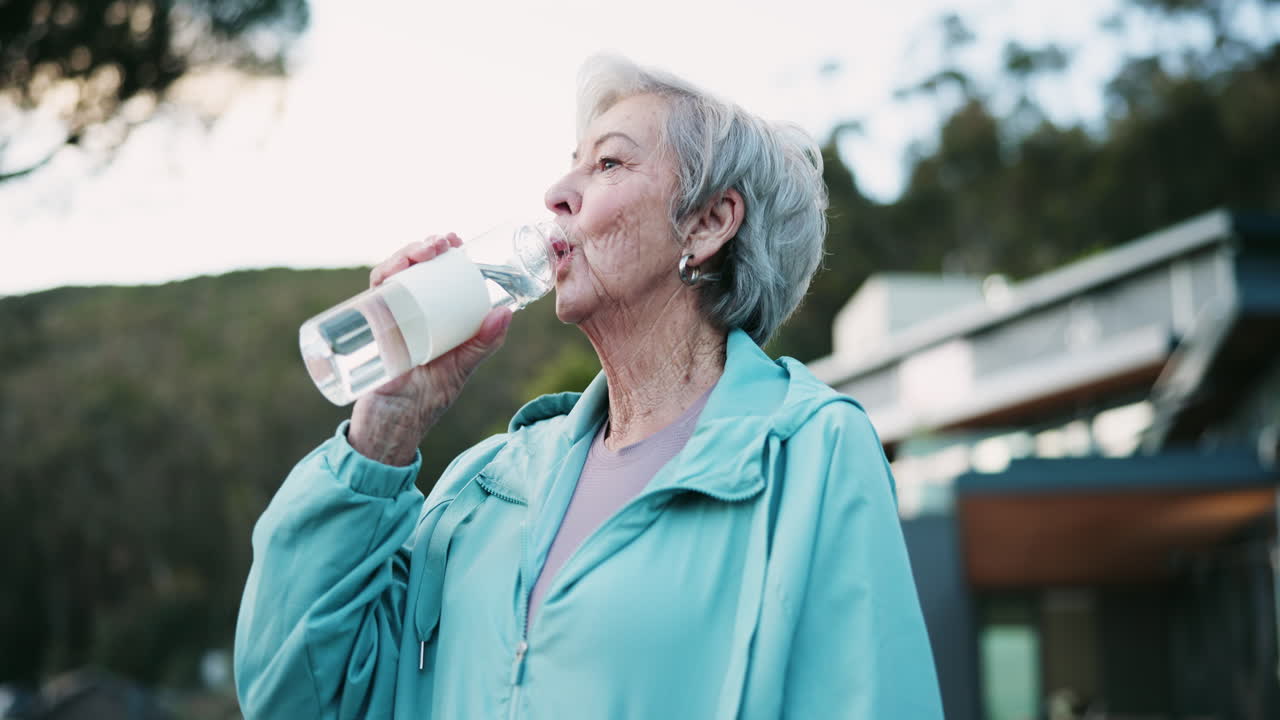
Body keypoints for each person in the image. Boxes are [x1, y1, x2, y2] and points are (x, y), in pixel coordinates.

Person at [234, 54, 944, 719]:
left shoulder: (807, 454)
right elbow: (296, 695)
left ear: (708, 223)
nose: (555, 195)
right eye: (572, 163)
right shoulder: (485, 485)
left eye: (608, 162)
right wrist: (387, 427)